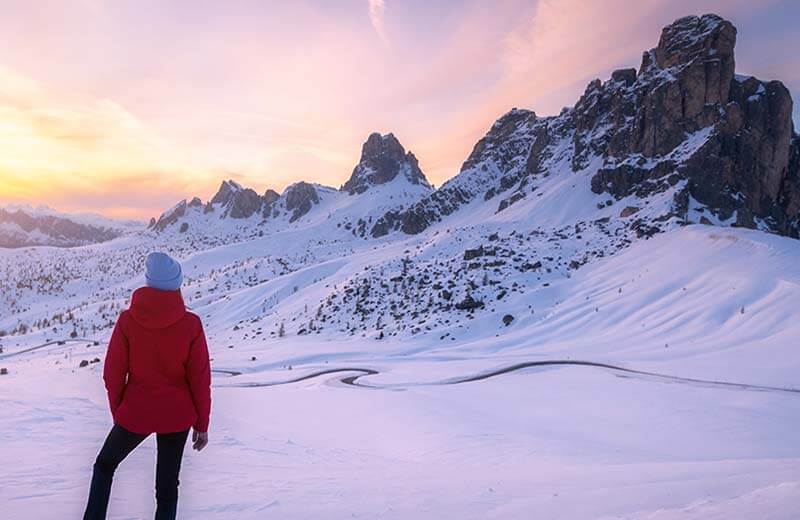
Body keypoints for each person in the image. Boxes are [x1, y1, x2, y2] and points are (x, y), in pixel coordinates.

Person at [83, 252, 212, 520]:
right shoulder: (191, 324)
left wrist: (120, 411)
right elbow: (200, 378)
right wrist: (202, 424)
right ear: (177, 285)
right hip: (177, 416)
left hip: (136, 412)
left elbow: (113, 373)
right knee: (166, 487)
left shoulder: (128, 321)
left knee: (105, 465)